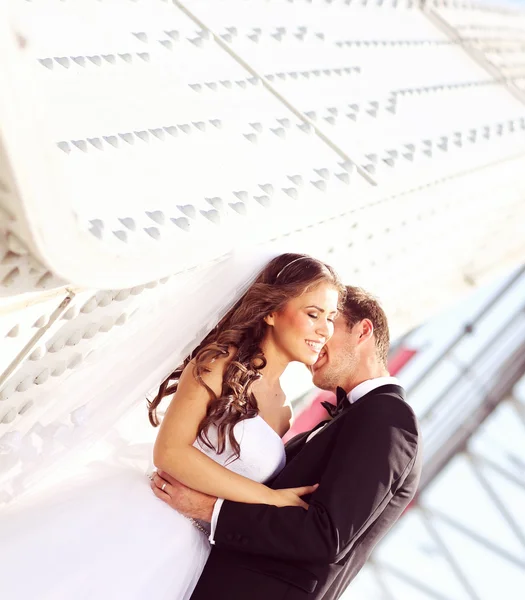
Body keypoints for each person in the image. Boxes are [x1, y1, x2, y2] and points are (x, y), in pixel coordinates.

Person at [0, 253, 344, 600]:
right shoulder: (220, 362)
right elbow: (170, 452)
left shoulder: (284, 410)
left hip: (189, 553)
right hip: (143, 518)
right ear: (271, 312)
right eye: (313, 314)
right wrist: (269, 499)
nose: (324, 330)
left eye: (330, 318)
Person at [153, 286, 422, 600]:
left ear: (363, 331)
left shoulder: (388, 417)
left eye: (330, 323)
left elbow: (325, 536)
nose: (317, 338)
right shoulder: (357, 415)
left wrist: (209, 510)